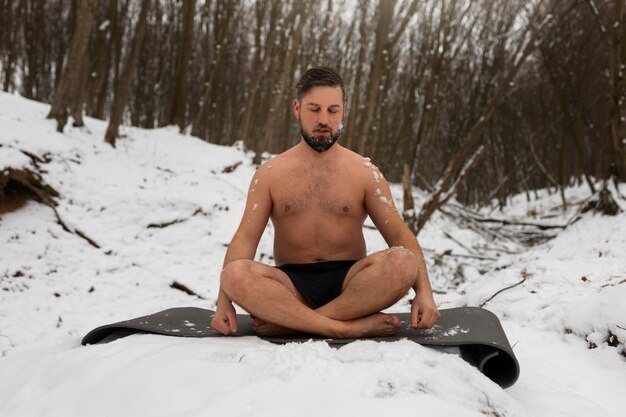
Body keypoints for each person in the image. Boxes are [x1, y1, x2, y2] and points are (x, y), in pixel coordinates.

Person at [211, 67, 439, 338]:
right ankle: (344, 328)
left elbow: (399, 235)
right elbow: (245, 239)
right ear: (297, 108)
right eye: (314, 109)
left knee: (403, 262)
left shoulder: (364, 172)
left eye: (333, 110)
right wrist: (223, 302)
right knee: (234, 274)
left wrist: (425, 293)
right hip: (291, 286)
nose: (323, 119)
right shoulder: (270, 173)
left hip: (351, 284)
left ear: (343, 111)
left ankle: (294, 323)